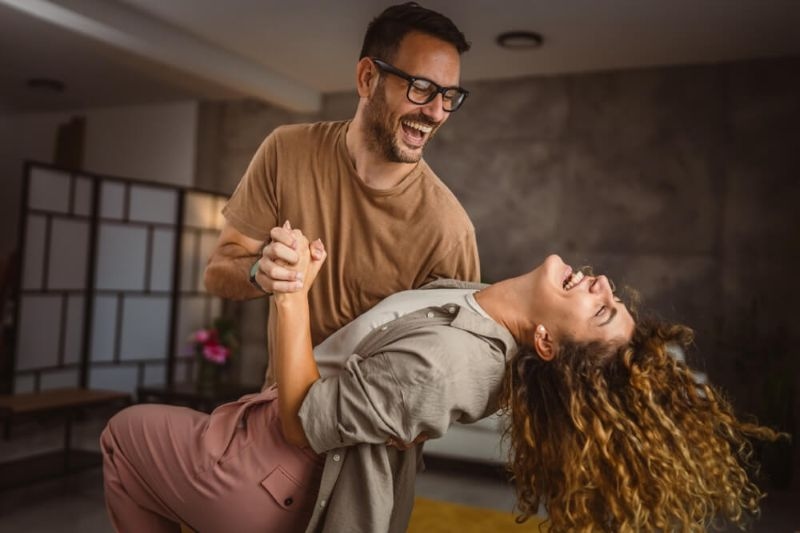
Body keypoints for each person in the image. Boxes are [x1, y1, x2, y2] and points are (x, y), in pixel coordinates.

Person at [102, 230, 783, 532]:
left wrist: (291, 293)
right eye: (613, 299)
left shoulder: (451, 367)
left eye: (601, 310)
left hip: (265, 473)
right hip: (258, 446)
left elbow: (304, 420)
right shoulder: (482, 300)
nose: (603, 284)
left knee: (123, 435)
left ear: (547, 343)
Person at [203, 2, 479, 386]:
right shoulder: (286, 151)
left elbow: (456, 373)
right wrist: (259, 273)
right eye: (421, 88)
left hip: (370, 426)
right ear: (367, 78)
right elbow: (216, 274)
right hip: (271, 411)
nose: (437, 112)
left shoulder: (450, 231)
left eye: (449, 95)